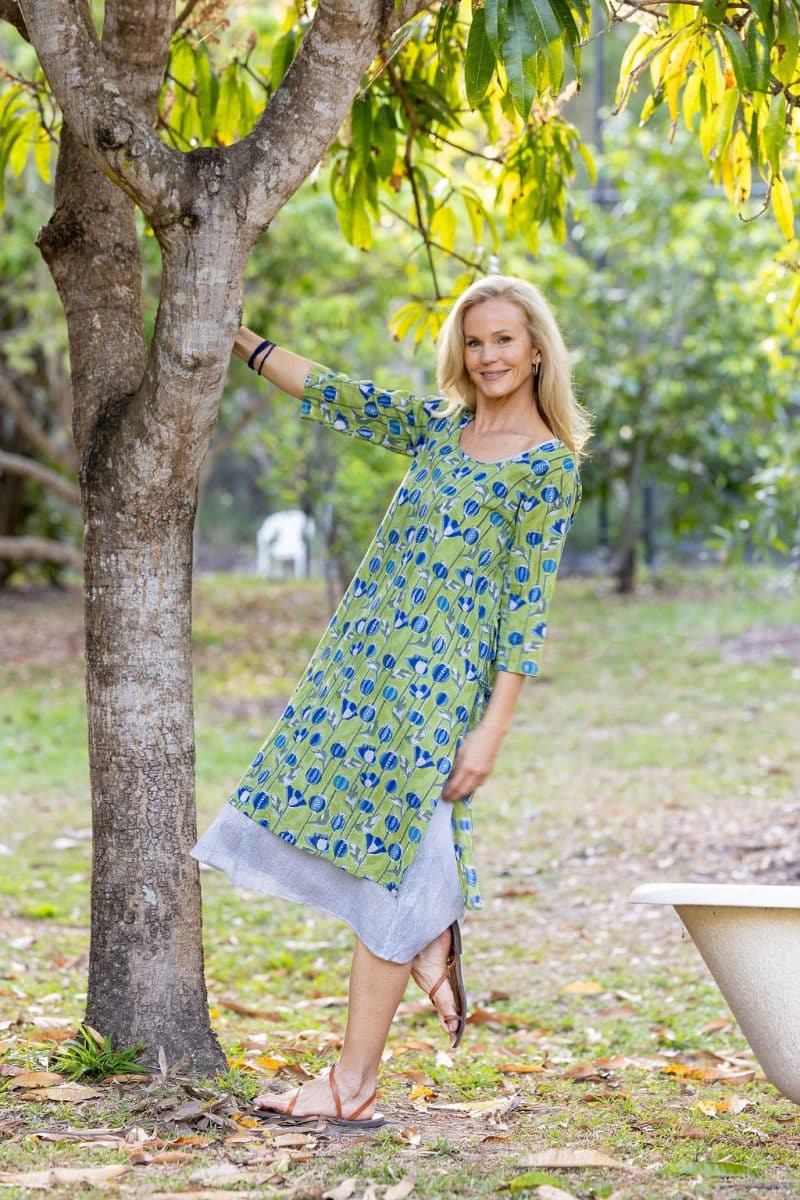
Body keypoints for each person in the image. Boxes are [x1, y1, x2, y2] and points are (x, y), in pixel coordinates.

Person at [191, 274, 591, 1127]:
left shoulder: (548, 468)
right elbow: (341, 395)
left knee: (395, 860)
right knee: (373, 838)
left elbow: (526, 611)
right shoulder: (439, 432)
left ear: (535, 351)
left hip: (439, 687)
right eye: (475, 341)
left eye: (505, 341)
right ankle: (431, 945)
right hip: (362, 665)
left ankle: (356, 1078)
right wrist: (245, 342)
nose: (488, 356)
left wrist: (492, 730)